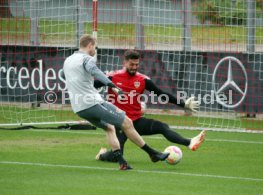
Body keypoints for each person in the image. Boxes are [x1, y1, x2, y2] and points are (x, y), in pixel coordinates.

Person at [63, 35, 169, 170]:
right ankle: (153, 154)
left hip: (78, 107)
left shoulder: (68, 60)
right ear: (90, 45)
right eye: (95, 47)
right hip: (92, 103)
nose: (95, 49)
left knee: (110, 127)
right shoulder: (86, 59)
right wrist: (113, 86)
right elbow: (97, 72)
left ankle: (122, 163)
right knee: (127, 122)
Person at [94, 50, 206, 163]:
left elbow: (161, 94)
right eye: (131, 64)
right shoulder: (112, 77)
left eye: (136, 64)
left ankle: (189, 142)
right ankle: (102, 155)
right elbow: (91, 86)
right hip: (119, 122)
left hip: (135, 122)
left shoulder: (143, 79)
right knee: (116, 157)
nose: (134, 67)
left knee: (162, 127)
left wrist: (184, 104)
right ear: (125, 63)